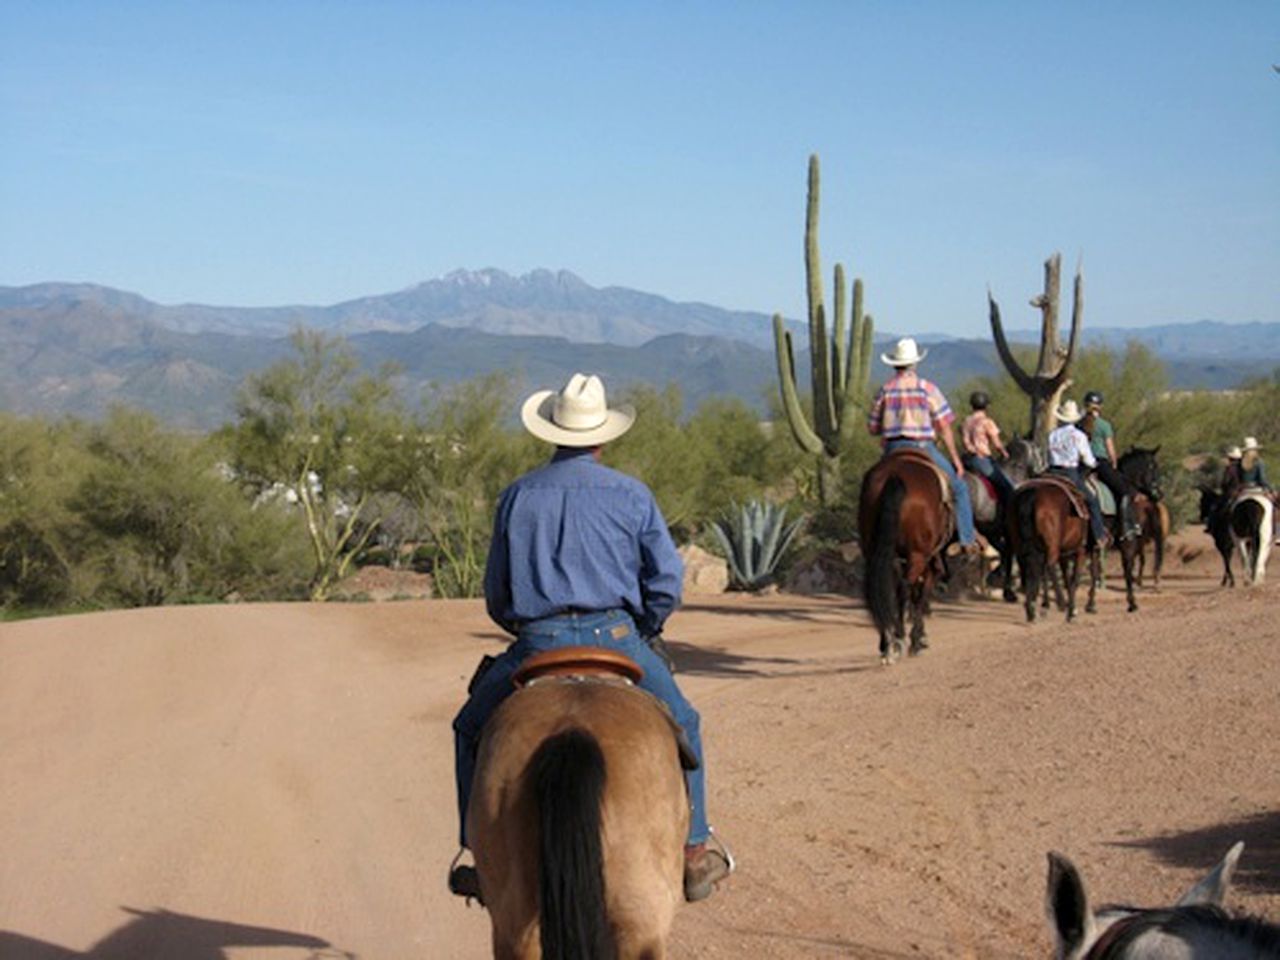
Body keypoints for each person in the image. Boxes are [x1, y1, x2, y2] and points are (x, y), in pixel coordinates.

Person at [449, 372, 733, 904]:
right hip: (618, 637)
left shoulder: (517, 496)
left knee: (468, 727)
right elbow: (666, 583)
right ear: (603, 436)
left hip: (538, 642)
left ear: (552, 433)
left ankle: (477, 856)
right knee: (686, 722)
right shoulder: (631, 495)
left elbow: (497, 592)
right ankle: (694, 850)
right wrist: (644, 628)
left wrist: (528, 626)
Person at [866, 337, 981, 553]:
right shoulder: (927, 388)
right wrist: (956, 460)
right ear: (914, 363)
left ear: (894, 364)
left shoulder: (885, 390)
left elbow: (872, 428)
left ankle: (868, 538)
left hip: (892, 448)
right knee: (960, 488)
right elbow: (945, 427)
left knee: (872, 485)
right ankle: (966, 540)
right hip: (922, 446)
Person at [1046, 399, 1107, 547]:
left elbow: (1048, 455)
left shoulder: (1052, 435)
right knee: (1092, 501)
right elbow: (1087, 459)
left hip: (1051, 472)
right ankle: (1099, 536)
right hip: (1070, 474)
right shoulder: (1078, 436)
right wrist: (1095, 464)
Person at [1081, 391, 1140, 540]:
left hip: (1081, 464)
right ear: (1100, 407)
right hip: (1100, 463)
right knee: (1124, 491)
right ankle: (1126, 527)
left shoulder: (1078, 424)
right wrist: (1114, 463)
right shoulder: (1104, 425)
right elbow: (1110, 448)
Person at [961, 391, 1014, 509]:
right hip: (981, 459)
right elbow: (997, 444)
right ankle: (1007, 516)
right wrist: (1004, 453)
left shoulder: (966, 421)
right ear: (986, 406)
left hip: (966, 459)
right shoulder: (987, 422)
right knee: (1006, 487)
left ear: (972, 405)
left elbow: (965, 441)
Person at [1238, 436, 1280, 544]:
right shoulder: (1258, 462)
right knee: (1274, 507)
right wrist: (1271, 489)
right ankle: (1277, 533)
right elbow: (1262, 479)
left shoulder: (1240, 463)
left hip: (1243, 491)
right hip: (1257, 490)